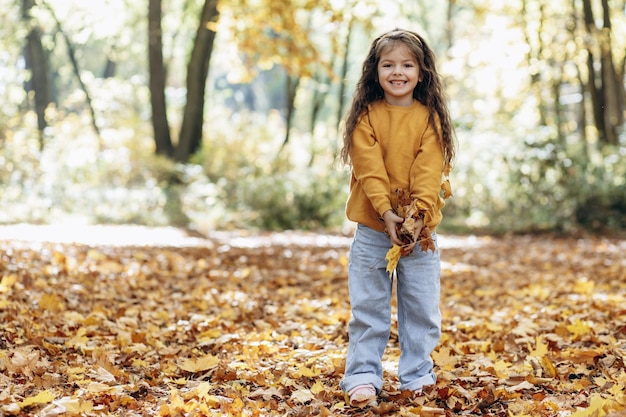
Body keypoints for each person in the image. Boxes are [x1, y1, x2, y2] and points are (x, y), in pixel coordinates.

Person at [338, 28, 456, 408]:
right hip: (374, 229)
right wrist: (387, 213)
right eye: (388, 64)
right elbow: (370, 170)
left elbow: (428, 169)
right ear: (375, 72)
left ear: (421, 72)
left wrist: (418, 215)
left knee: (421, 309)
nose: (398, 71)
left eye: (407, 64)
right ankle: (362, 377)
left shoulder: (429, 118)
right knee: (369, 308)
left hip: (420, 234)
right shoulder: (366, 118)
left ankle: (417, 376)